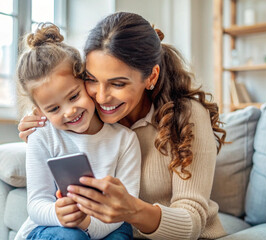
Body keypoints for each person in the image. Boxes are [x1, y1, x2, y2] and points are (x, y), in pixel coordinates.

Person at [18, 12, 227, 240]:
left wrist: (132, 210)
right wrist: (39, 119)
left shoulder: (186, 115)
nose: (102, 96)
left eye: (117, 83)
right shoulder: (85, 111)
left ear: (151, 77)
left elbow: (192, 223)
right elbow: (57, 102)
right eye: (91, 79)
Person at [14, 23, 141, 240]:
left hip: (110, 224)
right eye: (53, 109)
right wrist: (58, 213)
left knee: (121, 235)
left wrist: (88, 222)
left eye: (74, 96)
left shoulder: (125, 140)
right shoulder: (42, 135)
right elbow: (36, 204)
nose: (70, 111)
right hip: (53, 226)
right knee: (72, 237)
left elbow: (125, 208)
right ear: (39, 110)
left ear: (86, 81)